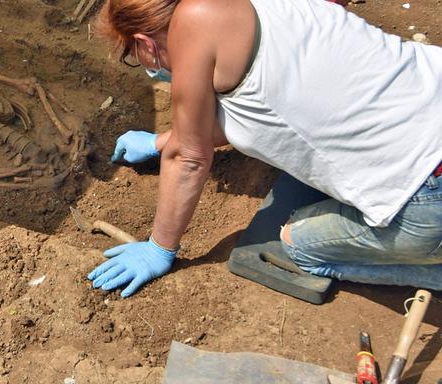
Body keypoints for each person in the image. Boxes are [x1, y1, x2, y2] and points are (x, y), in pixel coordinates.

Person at [88, 0, 442, 297]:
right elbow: (257, 102)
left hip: (426, 193)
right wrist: (162, 141)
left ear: (146, 43)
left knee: (296, 243)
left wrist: (158, 248)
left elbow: (190, 158)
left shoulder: (192, 26)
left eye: (134, 56)